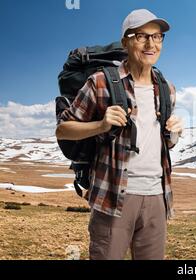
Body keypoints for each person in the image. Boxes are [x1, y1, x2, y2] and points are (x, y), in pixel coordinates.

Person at [55, 9, 183, 260]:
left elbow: (163, 143)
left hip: (158, 197)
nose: (151, 44)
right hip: (112, 197)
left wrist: (174, 134)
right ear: (125, 41)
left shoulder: (167, 89)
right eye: (141, 36)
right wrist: (101, 125)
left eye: (157, 37)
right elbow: (63, 129)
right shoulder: (100, 82)